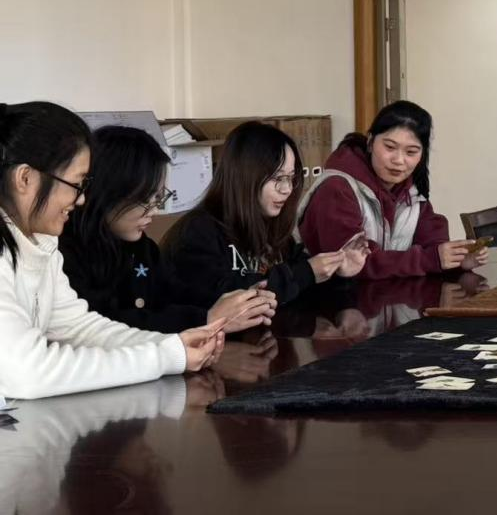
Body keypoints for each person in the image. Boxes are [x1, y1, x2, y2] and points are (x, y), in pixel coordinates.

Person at [0, 102, 223, 401]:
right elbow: (29, 373)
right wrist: (164, 357)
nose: (81, 199)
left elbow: (79, 328)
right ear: (25, 178)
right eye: (76, 184)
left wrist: (171, 345)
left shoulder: (43, 243)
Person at [60, 125, 277, 334]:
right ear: (108, 193)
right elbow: (106, 325)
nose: (154, 211)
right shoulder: (64, 255)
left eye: (158, 198)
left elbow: (176, 293)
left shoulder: (143, 248)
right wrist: (207, 319)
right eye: (146, 199)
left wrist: (241, 300)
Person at [163, 122, 367, 310]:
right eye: (278, 178)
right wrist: (306, 273)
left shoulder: (271, 226)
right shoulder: (198, 232)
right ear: (245, 177)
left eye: (291, 178)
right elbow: (229, 299)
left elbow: (298, 285)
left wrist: (340, 273)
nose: (287, 189)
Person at [297, 101, 487, 277]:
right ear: (370, 142)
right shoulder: (337, 188)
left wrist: (457, 261)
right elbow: (350, 264)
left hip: (388, 298)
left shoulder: (411, 192)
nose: (398, 160)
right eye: (389, 147)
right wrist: (430, 260)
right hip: (329, 299)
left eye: (411, 152)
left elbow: (433, 245)